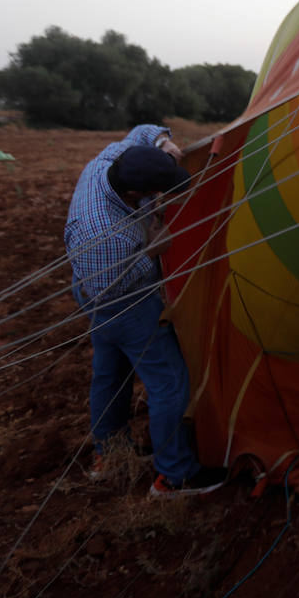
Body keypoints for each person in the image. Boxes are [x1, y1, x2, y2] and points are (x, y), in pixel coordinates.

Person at [63, 124, 225, 497]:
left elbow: (140, 132)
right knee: (169, 382)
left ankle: (110, 454)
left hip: (92, 286)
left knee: (111, 372)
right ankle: (175, 475)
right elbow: (109, 287)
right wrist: (152, 252)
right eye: (158, 193)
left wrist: (160, 141)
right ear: (136, 194)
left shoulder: (109, 160)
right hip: (119, 299)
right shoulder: (106, 232)